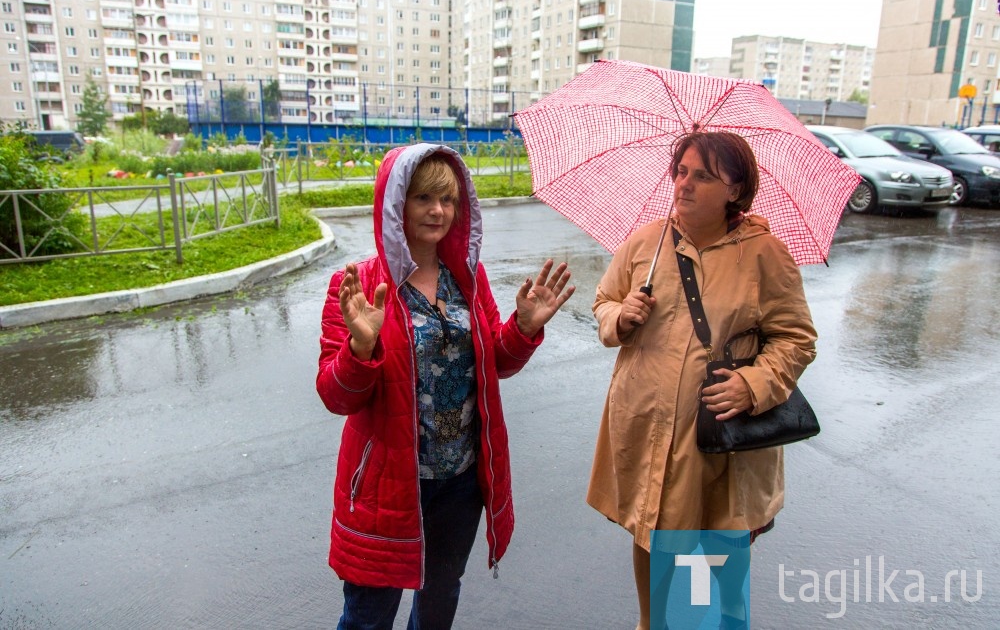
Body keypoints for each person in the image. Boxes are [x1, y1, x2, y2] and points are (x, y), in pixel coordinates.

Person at [316, 143, 575, 630]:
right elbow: (335, 395)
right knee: (369, 616)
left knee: (439, 600)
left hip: (460, 479)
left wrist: (521, 329)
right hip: (389, 484)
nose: (438, 211)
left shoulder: (467, 276)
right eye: (424, 198)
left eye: (449, 200)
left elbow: (493, 363)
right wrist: (361, 350)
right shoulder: (357, 284)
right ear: (396, 202)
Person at [586, 131, 817, 630]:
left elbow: (796, 339)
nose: (684, 185)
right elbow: (603, 302)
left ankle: (724, 617)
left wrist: (754, 385)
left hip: (719, 429)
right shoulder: (645, 243)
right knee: (654, 528)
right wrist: (619, 317)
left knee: (719, 533)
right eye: (681, 172)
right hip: (648, 420)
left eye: (703, 176)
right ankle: (653, 623)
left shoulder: (764, 254)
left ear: (735, 190)